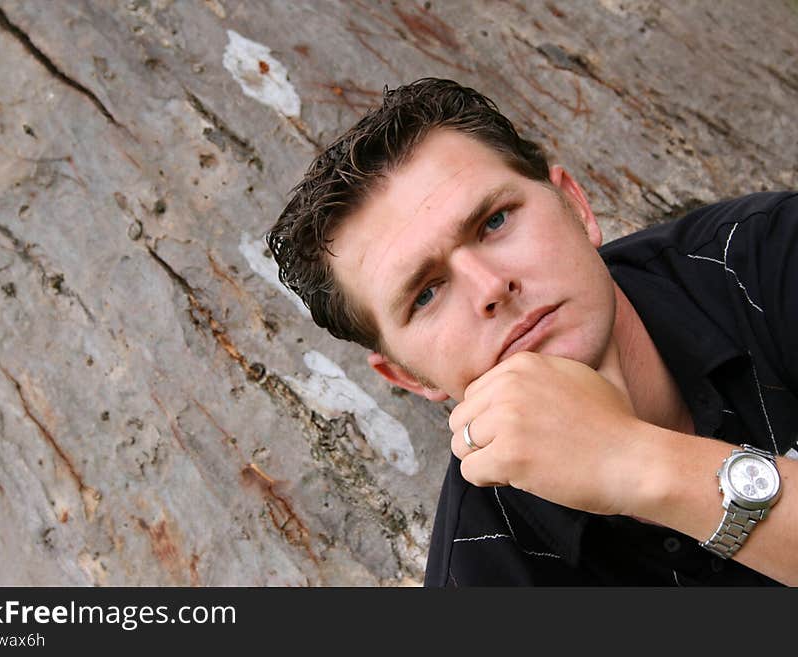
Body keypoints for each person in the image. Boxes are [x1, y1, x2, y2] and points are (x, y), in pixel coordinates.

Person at [267, 78, 797, 586]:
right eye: (425, 293)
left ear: (575, 206)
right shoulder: (482, 578)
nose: (491, 286)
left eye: (494, 222)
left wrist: (636, 461)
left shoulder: (767, 254)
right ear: (406, 376)